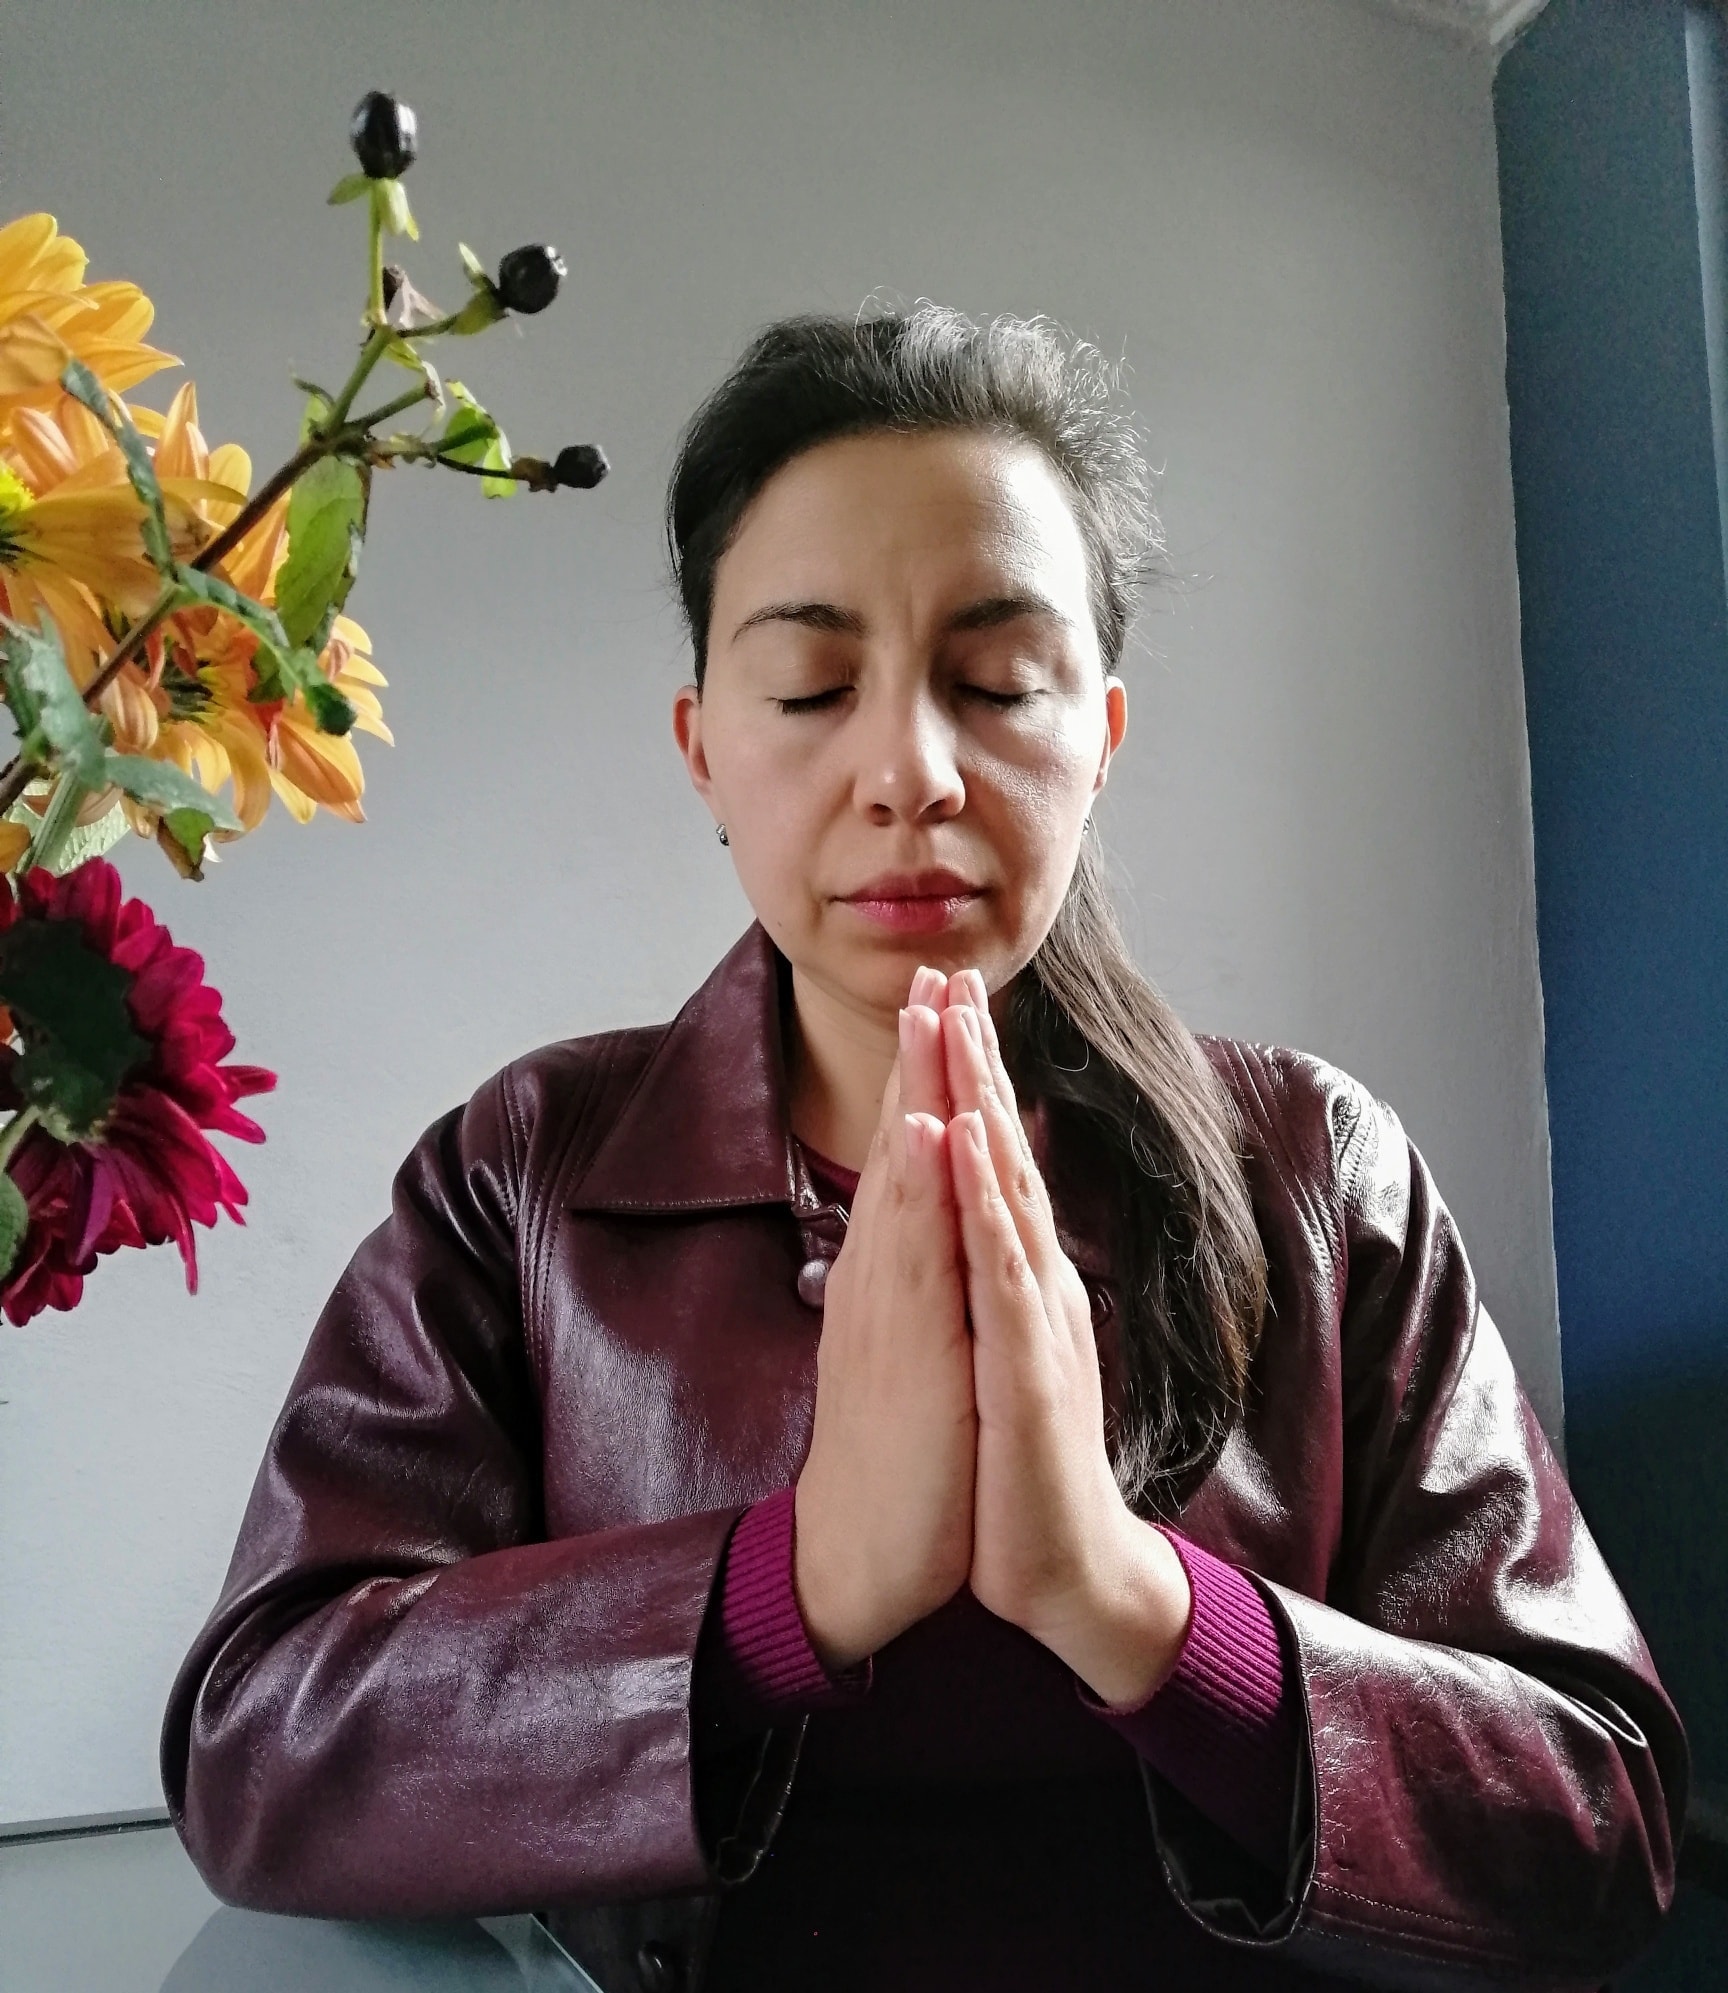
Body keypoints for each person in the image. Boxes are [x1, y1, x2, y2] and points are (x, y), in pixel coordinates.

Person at [161, 306, 1686, 1992]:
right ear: (706, 750)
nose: (909, 771)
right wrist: (792, 1583)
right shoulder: (525, 1175)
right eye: (813, 686)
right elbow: (260, 1747)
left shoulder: (1318, 1174)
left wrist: (1131, 1603)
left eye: (997, 684)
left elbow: (1598, 1819)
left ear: (1100, 738)